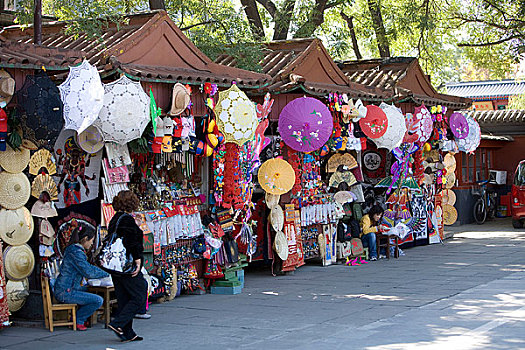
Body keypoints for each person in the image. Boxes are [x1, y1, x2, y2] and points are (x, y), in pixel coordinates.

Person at [107, 190, 147, 342]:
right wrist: (137, 259)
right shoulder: (126, 220)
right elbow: (130, 241)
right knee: (139, 294)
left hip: (115, 266)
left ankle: (127, 332)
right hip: (126, 265)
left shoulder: (116, 219)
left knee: (124, 297)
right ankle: (118, 323)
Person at [54, 226, 109, 331]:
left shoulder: (74, 250)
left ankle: (82, 317)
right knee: (98, 300)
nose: (92, 244)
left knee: (91, 292)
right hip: (66, 291)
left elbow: (88, 267)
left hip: (68, 287)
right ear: (85, 239)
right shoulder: (76, 252)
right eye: (91, 241)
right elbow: (88, 271)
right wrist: (106, 273)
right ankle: (78, 320)